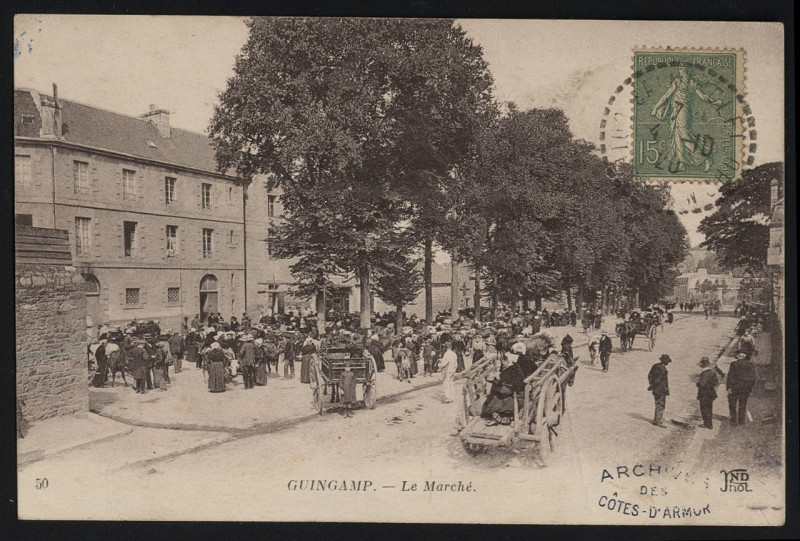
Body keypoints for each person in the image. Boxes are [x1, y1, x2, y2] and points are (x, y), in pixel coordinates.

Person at [650, 64, 723, 173]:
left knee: (685, 137)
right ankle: (682, 163)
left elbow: (702, 97)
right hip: (677, 112)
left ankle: (706, 157)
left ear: (687, 71)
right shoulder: (684, 82)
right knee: (677, 136)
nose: (681, 71)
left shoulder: (686, 82)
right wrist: (656, 107)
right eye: (680, 69)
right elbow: (667, 96)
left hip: (683, 112)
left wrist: (655, 108)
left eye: (683, 69)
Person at [727, 351, 757, 426]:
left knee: (732, 405)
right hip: (745, 389)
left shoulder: (734, 364)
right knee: (742, 405)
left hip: (735, 388)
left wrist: (729, 387)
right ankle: (741, 421)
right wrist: (749, 387)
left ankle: (733, 421)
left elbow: (730, 377)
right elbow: (753, 378)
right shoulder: (750, 364)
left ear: (738, 356)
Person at [647, 354, 672, 428]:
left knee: (658, 404)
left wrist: (651, 384)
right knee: (660, 405)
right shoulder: (662, 370)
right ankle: (658, 421)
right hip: (660, 389)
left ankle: (657, 419)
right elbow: (658, 380)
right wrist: (652, 386)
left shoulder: (655, 366)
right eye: (667, 361)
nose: (668, 363)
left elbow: (650, 375)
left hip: (656, 389)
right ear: (664, 361)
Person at [696, 356, 719, 429]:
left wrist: (698, 383)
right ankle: (709, 424)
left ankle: (707, 424)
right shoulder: (712, 372)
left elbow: (701, 384)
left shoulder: (705, 373)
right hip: (711, 393)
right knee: (709, 409)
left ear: (703, 364)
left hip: (704, 394)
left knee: (704, 409)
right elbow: (716, 382)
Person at [439, 336, 457, 403]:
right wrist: (454, 369)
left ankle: (448, 398)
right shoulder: (453, 354)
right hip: (452, 371)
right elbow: (456, 363)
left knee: (446, 384)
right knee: (451, 384)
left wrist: (439, 365)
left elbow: (444, 363)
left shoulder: (447, 354)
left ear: (445, 347)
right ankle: (452, 397)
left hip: (447, 371)